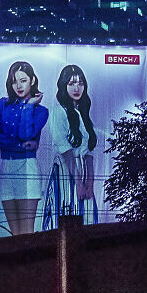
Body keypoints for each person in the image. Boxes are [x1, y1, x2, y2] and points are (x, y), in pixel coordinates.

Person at [0, 60, 49, 236]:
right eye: (14, 81)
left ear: (32, 80)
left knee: (26, 232)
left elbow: (25, 134)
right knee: (14, 234)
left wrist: (28, 106)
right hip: (6, 167)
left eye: (23, 80)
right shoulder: (2, 104)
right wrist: (18, 145)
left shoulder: (41, 111)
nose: (19, 86)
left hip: (27, 167)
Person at [50, 64, 97, 217]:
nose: (76, 88)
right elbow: (65, 150)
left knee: (88, 218)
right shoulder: (59, 112)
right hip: (66, 171)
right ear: (64, 86)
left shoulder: (83, 114)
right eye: (71, 84)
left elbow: (89, 153)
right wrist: (78, 183)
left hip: (83, 174)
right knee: (68, 213)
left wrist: (90, 184)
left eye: (80, 83)